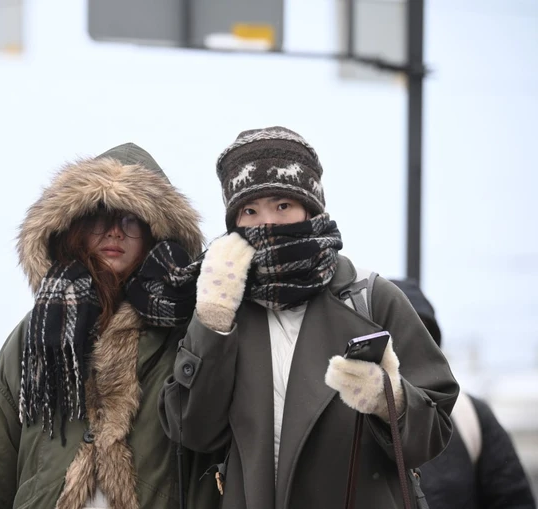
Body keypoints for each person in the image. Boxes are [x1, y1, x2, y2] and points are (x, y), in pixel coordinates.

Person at [158, 126, 460, 508]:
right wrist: (212, 321)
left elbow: (434, 432)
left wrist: (391, 400)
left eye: (282, 205)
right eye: (250, 210)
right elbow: (191, 431)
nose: (266, 222)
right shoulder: (222, 306)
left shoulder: (371, 297)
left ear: (311, 207)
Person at [0, 143, 221, 509]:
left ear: (156, 232)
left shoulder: (189, 333)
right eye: (99, 216)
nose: (114, 232)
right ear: (74, 227)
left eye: (131, 220)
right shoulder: (35, 334)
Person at [392, 278, 537, 509]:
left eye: (424, 336)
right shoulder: (348, 421)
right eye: (397, 336)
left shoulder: (470, 415)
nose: (412, 348)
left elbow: (514, 500)